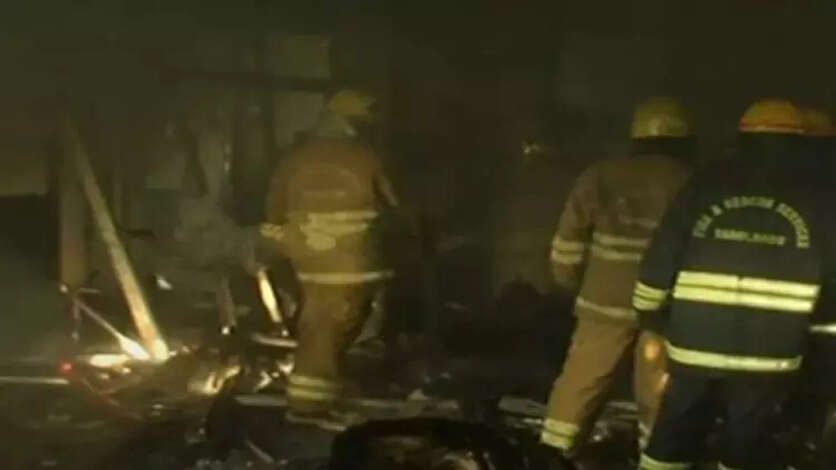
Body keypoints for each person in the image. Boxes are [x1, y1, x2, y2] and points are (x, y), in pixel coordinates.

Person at [634, 99, 836, 470]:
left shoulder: (706, 181)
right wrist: (821, 339)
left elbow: (665, 250)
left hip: (695, 341)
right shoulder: (822, 197)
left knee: (673, 433)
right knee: (744, 442)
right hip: (770, 350)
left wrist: (648, 312)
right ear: (801, 141)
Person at [540, 97, 695, 463]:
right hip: (665, 308)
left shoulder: (599, 176)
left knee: (581, 383)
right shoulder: (692, 182)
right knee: (658, 390)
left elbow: (568, 245)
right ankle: (656, 460)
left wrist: (568, 282)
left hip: (603, 302)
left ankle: (553, 455)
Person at [265, 89, 399, 430]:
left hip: (308, 261)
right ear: (351, 123)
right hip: (350, 261)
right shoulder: (366, 158)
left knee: (321, 323)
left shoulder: (293, 159)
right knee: (327, 331)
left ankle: (320, 395)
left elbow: (273, 213)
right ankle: (308, 407)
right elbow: (393, 206)